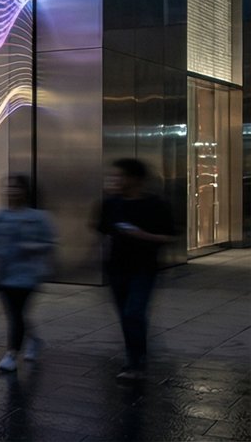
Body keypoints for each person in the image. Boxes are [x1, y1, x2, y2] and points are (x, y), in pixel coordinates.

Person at [96, 158, 176, 380]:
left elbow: (168, 236)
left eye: (119, 176)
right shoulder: (111, 204)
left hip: (144, 268)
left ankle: (136, 362)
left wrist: (142, 235)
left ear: (135, 179)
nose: (115, 180)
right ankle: (136, 354)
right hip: (116, 268)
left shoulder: (155, 205)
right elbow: (102, 230)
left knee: (134, 312)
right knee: (126, 315)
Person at [0, 174, 54, 373]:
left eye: (16, 187)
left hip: (28, 274)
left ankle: (11, 354)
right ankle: (33, 340)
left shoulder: (38, 217)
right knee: (16, 314)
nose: (11, 191)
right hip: (5, 273)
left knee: (16, 314)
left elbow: (49, 244)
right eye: (8, 187)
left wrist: (33, 248)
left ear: (25, 191)